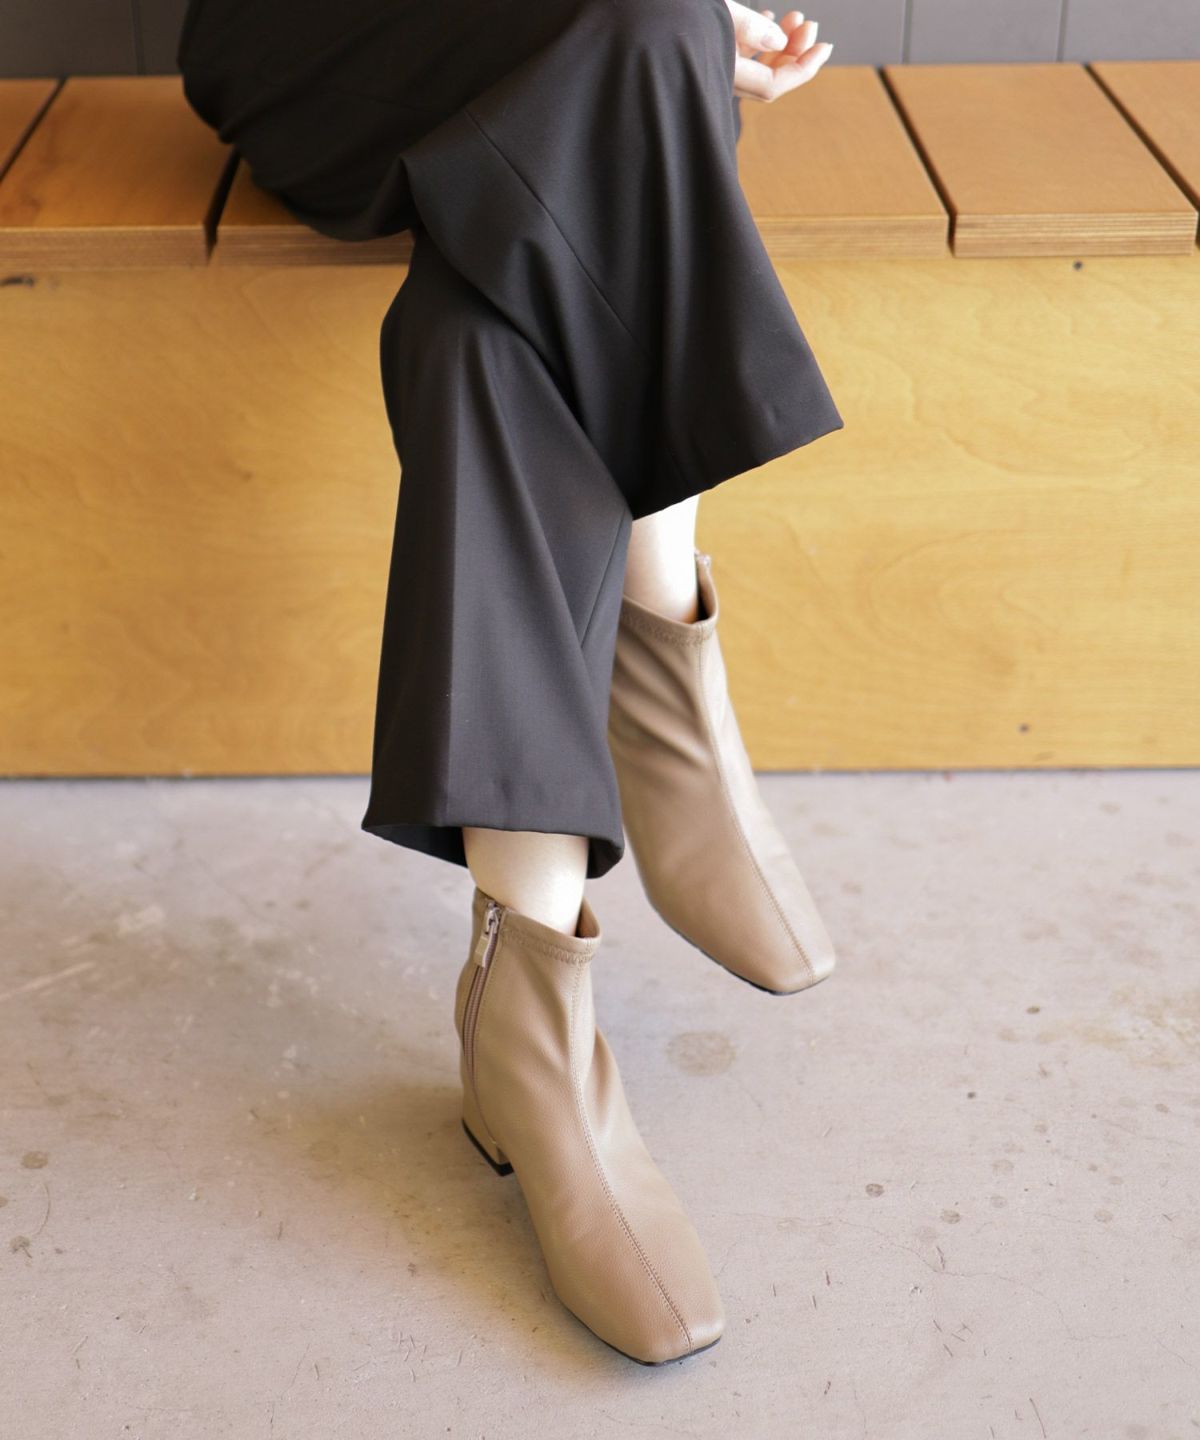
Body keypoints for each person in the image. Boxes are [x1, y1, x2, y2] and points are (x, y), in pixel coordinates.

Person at [178, 0, 841, 1365]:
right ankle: (664, 651)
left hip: (546, 62)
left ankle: (528, 1022)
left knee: (477, 336)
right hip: (310, 46)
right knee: (648, 36)